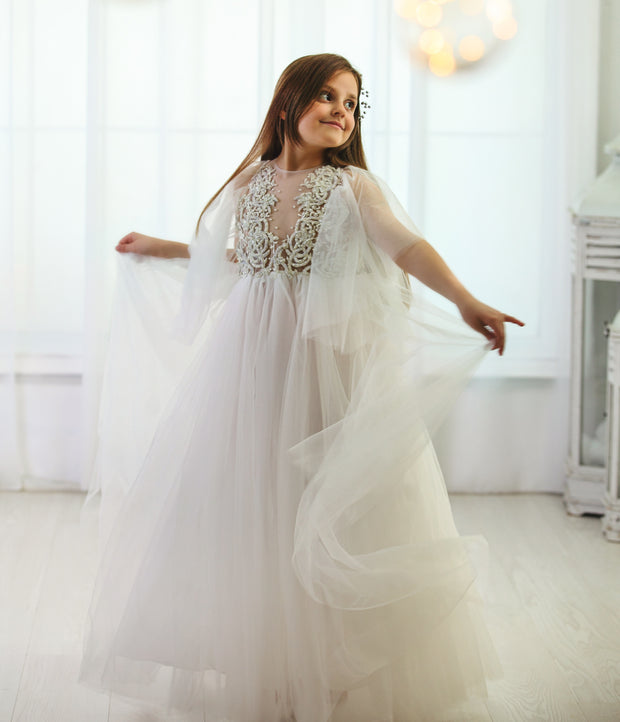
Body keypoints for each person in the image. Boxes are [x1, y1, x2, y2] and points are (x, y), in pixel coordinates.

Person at [79, 53, 524, 722]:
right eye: (328, 96)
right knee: (256, 499)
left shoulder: (352, 189)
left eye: (352, 102)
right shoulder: (251, 182)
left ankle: (337, 662)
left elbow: (403, 245)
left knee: (328, 502)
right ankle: (272, 654)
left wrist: (463, 298)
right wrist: (164, 247)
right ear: (288, 103)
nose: (342, 111)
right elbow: (246, 260)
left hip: (322, 365)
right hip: (251, 365)